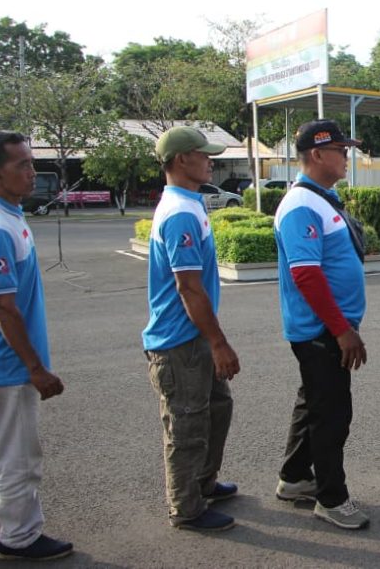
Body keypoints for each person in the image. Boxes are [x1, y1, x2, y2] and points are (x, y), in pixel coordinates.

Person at [0, 131, 73, 561]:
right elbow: (3, 308)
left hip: (5, 363)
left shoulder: (7, 213)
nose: (33, 172)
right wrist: (35, 367)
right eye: (22, 166)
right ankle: (20, 538)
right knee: (18, 459)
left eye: (32, 163)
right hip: (6, 365)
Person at [143, 125, 241, 532]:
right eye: (203, 155)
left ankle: (203, 482)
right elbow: (188, 286)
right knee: (187, 424)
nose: (209, 161)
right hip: (179, 341)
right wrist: (218, 342)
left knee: (216, 408)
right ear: (181, 160)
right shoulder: (181, 212)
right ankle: (186, 506)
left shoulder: (188, 202)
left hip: (192, 335)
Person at [273, 120, 370, 530]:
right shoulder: (301, 206)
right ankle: (331, 498)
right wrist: (341, 330)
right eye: (341, 150)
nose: (347, 156)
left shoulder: (321, 198)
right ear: (317, 154)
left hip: (325, 329)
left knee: (312, 404)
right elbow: (307, 275)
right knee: (331, 414)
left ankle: (294, 478)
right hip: (321, 332)